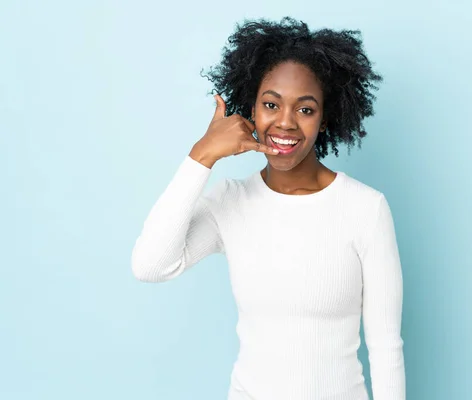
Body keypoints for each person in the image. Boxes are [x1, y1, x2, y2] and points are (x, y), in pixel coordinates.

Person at [131, 17, 405, 400]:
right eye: (271, 104)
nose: (285, 123)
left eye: (305, 110)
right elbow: (150, 265)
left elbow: (386, 347)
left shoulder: (365, 208)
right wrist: (202, 156)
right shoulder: (230, 201)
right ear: (252, 111)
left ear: (325, 117)